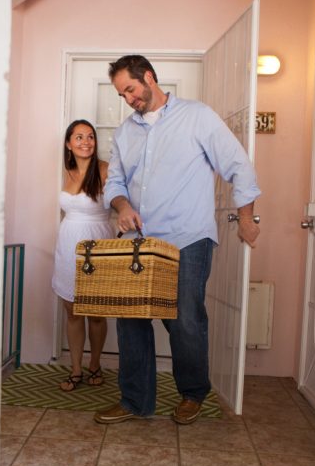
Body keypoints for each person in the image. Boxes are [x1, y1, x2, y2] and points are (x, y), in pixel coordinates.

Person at [93, 55, 261, 425]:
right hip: (139, 241)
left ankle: (192, 393)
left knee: (185, 318)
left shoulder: (198, 116)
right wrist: (122, 205)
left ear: (149, 77)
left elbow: (237, 164)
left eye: (131, 90)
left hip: (188, 237)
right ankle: (135, 400)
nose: (128, 99)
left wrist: (246, 218)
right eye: (122, 95)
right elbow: (115, 183)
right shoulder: (124, 133)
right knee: (131, 317)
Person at [52, 119, 115, 391]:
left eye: (90, 137)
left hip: (97, 244)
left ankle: (95, 364)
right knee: (73, 311)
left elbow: (123, 203)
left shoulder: (106, 170)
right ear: (68, 144)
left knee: (97, 312)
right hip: (68, 244)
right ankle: (76, 369)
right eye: (79, 137)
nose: (86, 142)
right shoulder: (66, 171)